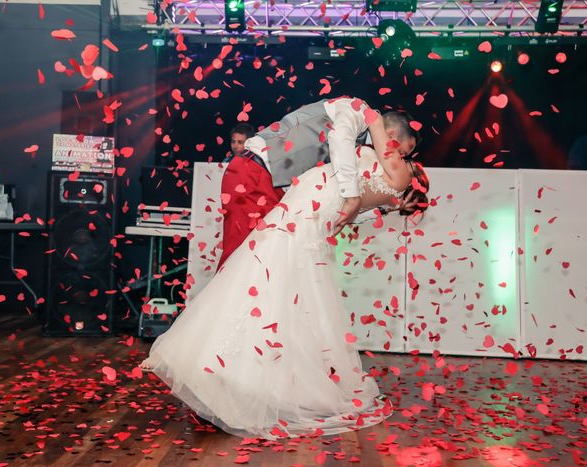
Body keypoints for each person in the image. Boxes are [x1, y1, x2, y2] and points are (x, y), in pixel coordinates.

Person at [139, 112, 430, 440]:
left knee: (260, 285)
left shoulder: (396, 168)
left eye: (406, 154)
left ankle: (229, 371)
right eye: (405, 149)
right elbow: (348, 211)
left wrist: (373, 117)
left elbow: (366, 161)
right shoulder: (385, 170)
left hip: (301, 217)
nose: (404, 155)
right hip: (299, 213)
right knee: (261, 286)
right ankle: (228, 369)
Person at [217, 97, 419, 269]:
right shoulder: (356, 110)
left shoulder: (358, 153)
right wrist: (353, 197)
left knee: (263, 265)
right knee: (239, 261)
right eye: (402, 153)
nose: (398, 159)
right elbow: (339, 138)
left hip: (278, 191)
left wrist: (387, 207)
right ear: (391, 137)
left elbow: (334, 202)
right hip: (254, 173)